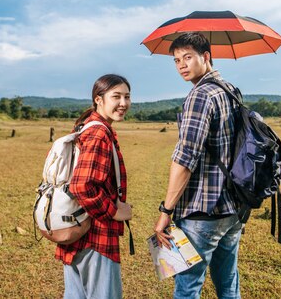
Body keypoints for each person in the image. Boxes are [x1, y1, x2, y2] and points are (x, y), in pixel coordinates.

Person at [153, 32, 244, 299]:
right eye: (176, 60)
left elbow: (184, 159)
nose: (181, 65)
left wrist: (165, 211)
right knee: (228, 284)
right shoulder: (231, 90)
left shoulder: (200, 96)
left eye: (188, 57)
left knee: (187, 288)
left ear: (206, 57)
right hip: (233, 209)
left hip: (202, 212)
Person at [57, 74, 133, 299]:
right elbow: (82, 185)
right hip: (96, 237)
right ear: (99, 99)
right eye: (116, 96)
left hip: (77, 230)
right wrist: (114, 212)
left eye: (127, 97)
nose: (123, 103)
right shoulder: (99, 132)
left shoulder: (87, 125)